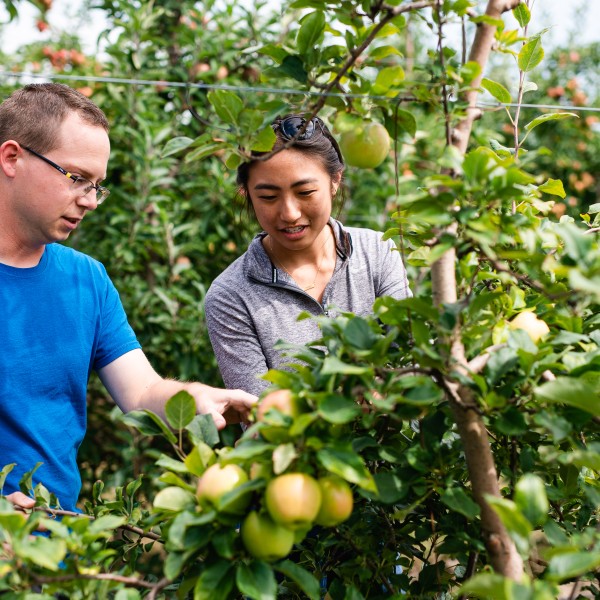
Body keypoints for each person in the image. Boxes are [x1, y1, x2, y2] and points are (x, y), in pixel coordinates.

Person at [0, 83, 256, 514]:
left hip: (58, 550)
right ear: (12, 158)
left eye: (97, 185)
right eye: (77, 178)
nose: (90, 201)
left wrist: (193, 398)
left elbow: (140, 392)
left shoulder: (86, 280)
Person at [204, 114, 411, 397]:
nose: (289, 213)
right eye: (268, 197)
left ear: (335, 180)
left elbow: (410, 366)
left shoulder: (377, 252)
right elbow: (263, 417)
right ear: (247, 194)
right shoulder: (231, 295)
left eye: (305, 192)